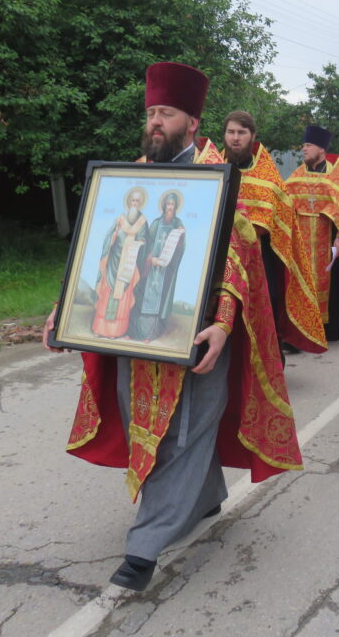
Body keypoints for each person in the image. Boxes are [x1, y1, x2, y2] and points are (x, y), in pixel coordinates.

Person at [49, 62, 302, 593]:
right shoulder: (132, 178)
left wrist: (224, 323)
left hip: (197, 331)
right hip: (131, 325)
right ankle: (207, 495)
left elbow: (238, 258)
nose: (154, 122)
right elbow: (98, 247)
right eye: (150, 114)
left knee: (181, 431)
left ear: (192, 121)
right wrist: (64, 307)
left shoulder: (215, 175)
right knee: (152, 423)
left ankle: (143, 549)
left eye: (165, 113)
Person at [222, 110, 327, 354]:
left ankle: (271, 370)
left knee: (263, 321)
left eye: (241, 132)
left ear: (252, 136)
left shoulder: (267, 176)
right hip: (219, 260)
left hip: (260, 261)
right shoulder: (213, 167)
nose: (235, 138)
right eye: (231, 132)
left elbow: (273, 222)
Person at [284, 125, 339, 341]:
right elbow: (284, 201)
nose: (304, 150)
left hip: (326, 238)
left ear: (321, 149)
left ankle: (327, 329)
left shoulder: (335, 175)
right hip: (300, 239)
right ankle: (300, 328)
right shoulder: (298, 174)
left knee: (329, 283)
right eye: (304, 146)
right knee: (299, 282)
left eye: (308, 145)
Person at [91, 186, 150, 339]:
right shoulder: (120, 219)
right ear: (128, 201)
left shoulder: (142, 222)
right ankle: (101, 329)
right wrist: (114, 236)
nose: (135, 203)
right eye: (133, 200)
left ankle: (115, 331)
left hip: (129, 263)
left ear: (141, 203)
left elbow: (145, 241)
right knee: (107, 292)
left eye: (138, 200)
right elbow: (109, 237)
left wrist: (138, 243)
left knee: (123, 295)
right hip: (113, 261)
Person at [128, 190, 186, 341]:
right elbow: (148, 243)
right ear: (163, 205)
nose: (170, 207)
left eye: (173, 204)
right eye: (168, 204)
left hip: (165, 270)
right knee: (143, 297)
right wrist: (150, 258)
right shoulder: (156, 223)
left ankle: (150, 334)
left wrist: (181, 236)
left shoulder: (178, 224)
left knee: (158, 301)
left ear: (176, 206)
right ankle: (134, 333)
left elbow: (181, 247)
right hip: (151, 267)